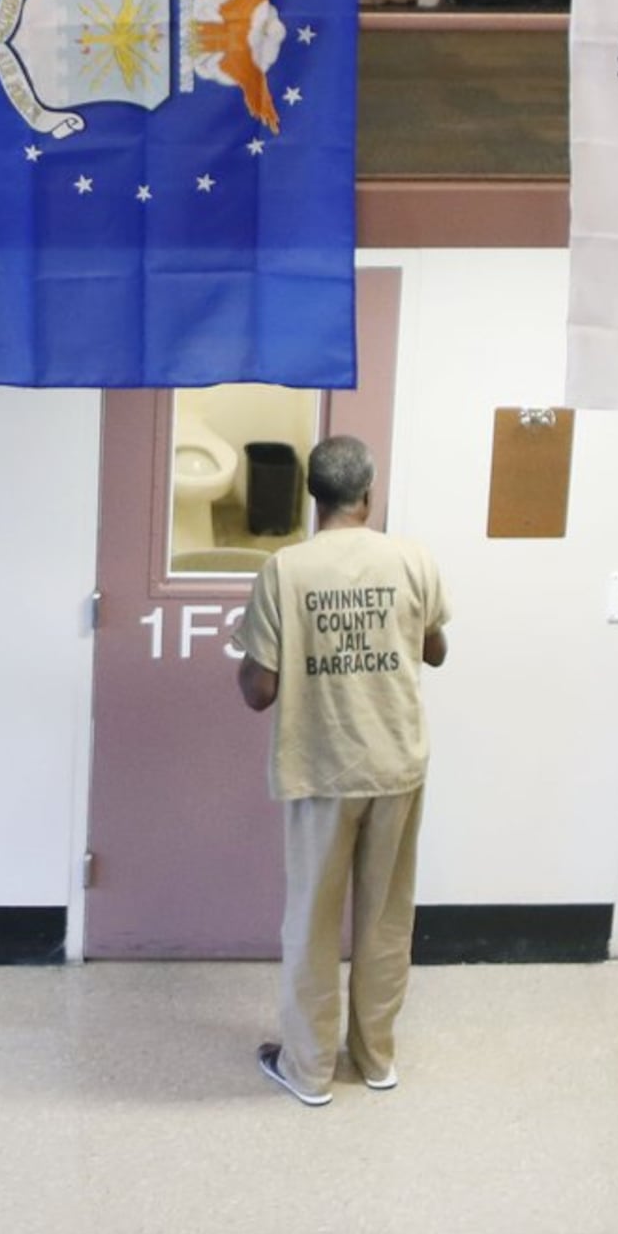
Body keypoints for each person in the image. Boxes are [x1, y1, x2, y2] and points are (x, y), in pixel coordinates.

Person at [231, 433, 448, 1105]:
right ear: (368, 492)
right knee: (386, 920)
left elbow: (260, 691)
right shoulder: (412, 559)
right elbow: (435, 649)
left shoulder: (285, 571)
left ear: (312, 496)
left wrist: (246, 657)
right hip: (397, 765)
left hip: (321, 767)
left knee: (312, 922)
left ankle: (310, 1070)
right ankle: (376, 1058)